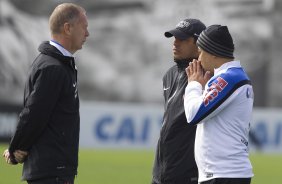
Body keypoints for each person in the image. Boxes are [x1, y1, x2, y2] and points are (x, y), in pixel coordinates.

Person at [2, 3, 89, 184]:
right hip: (52, 172)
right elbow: (34, 113)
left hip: (52, 170)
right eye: (84, 27)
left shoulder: (55, 64)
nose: (87, 34)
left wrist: (17, 147)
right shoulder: (53, 68)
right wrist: (15, 148)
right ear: (67, 28)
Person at [184, 25, 254, 184]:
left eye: (201, 51)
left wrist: (193, 84)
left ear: (213, 52)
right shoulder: (232, 77)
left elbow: (193, 114)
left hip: (224, 174)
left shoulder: (229, 78)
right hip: (225, 174)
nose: (199, 58)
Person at [152, 19, 206, 184]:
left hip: (189, 174)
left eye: (182, 39)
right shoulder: (169, 75)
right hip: (161, 173)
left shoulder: (209, 75)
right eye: (174, 38)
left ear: (199, 44)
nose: (175, 43)